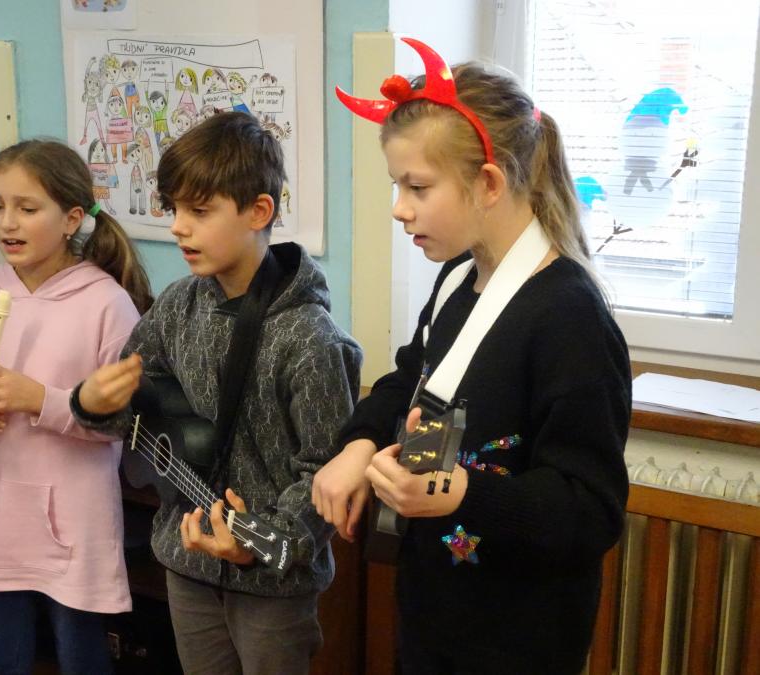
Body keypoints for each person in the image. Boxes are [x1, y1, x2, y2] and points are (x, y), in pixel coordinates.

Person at [312, 39, 631, 674]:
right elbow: (411, 378)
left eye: (417, 187)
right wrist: (357, 445)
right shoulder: (460, 277)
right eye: (397, 185)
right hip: (435, 615)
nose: (399, 208)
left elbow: (588, 510)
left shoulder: (569, 317)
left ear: (488, 183)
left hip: (516, 643)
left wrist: (461, 492)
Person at [71, 111, 362, 675]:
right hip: (187, 561)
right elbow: (133, 412)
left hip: (271, 585)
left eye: (200, 212)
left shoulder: (311, 339)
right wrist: (90, 403)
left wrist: (260, 543)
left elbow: (325, 473)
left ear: (259, 211)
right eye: (175, 210)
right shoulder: (177, 305)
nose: (179, 228)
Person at [0, 139, 153, 674]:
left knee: (82, 658)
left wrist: (40, 400)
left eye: (27, 208)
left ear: (72, 219)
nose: (7, 222)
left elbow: (124, 425)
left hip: (76, 523)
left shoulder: (106, 303)